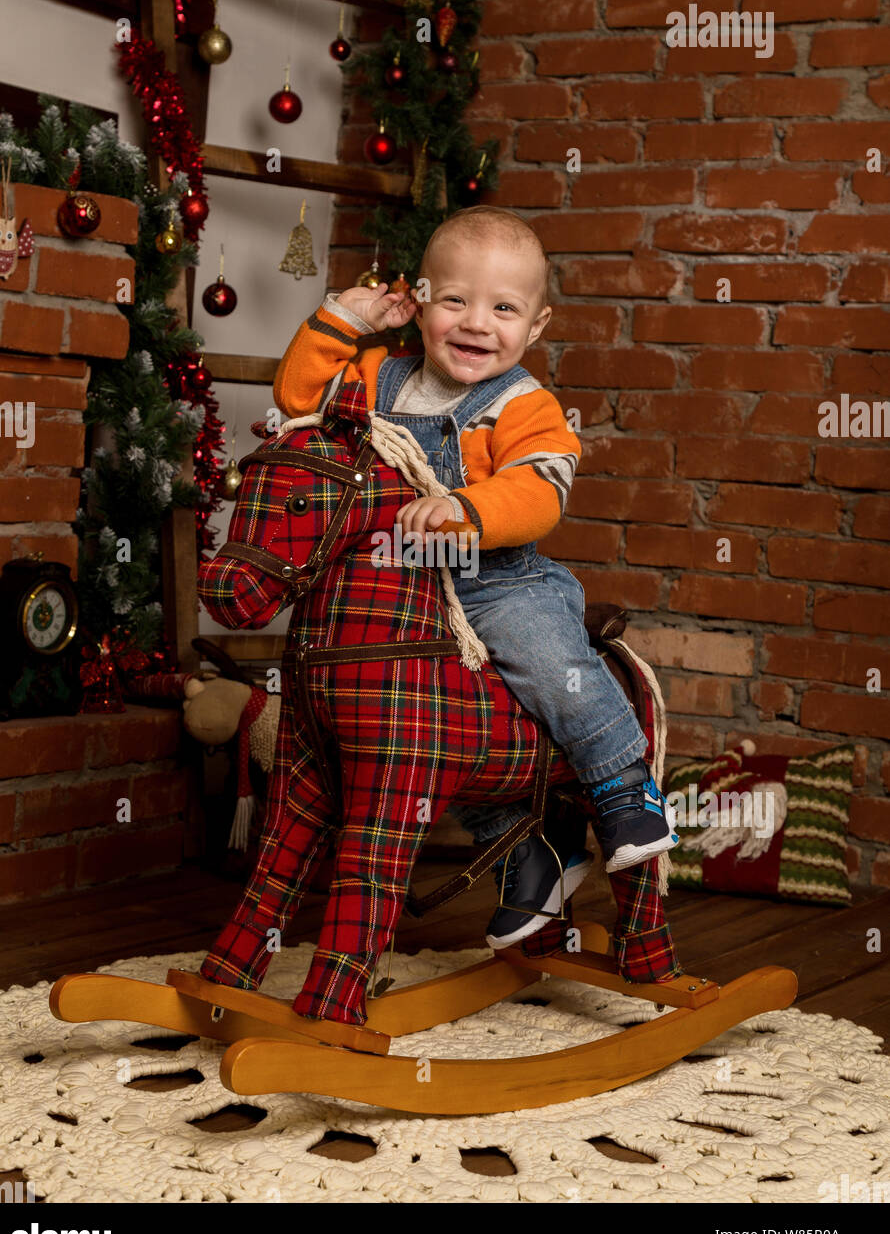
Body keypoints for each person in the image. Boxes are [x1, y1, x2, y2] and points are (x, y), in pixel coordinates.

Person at [272, 205, 677, 948]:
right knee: (433, 728)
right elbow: (298, 402)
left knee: (551, 668)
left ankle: (623, 786)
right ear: (418, 299)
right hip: (408, 591)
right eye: (454, 299)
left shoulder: (524, 405)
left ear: (536, 326)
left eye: (503, 308)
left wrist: (463, 505)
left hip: (498, 585)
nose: (476, 323)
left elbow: (538, 493)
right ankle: (528, 853)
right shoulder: (374, 375)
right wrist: (343, 318)